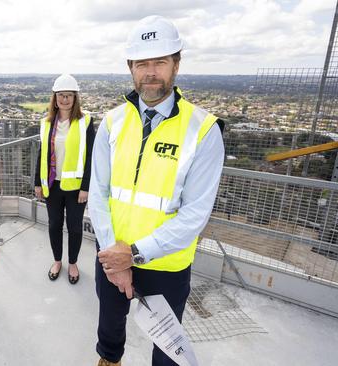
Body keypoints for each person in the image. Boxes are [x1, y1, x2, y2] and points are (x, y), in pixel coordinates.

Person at [90, 16, 225, 366]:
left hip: (166, 264)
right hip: (111, 255)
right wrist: (113, 256)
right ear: (131, 68)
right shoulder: (111, 123)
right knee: (109, 330)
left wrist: (132, 255)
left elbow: (195, 215)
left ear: (176, 65)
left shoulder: (204, 130)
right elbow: (98, 194)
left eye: (160, 62)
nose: (151, 72)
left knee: (166, 349)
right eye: (142, 63)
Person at [34, 74, 95, 284]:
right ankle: (58, 261)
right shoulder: (46, 123)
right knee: (54, 225)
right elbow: (42, 154)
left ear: (75, 97)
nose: (65, 99)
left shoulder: (85, 121)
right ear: (55, 97)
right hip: (52, 185)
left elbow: (90, 157)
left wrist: (86, 187)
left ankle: (74, 263)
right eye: (61, 95)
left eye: (69, 95)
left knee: (75, 227)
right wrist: (37, 183)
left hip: (77, 188)